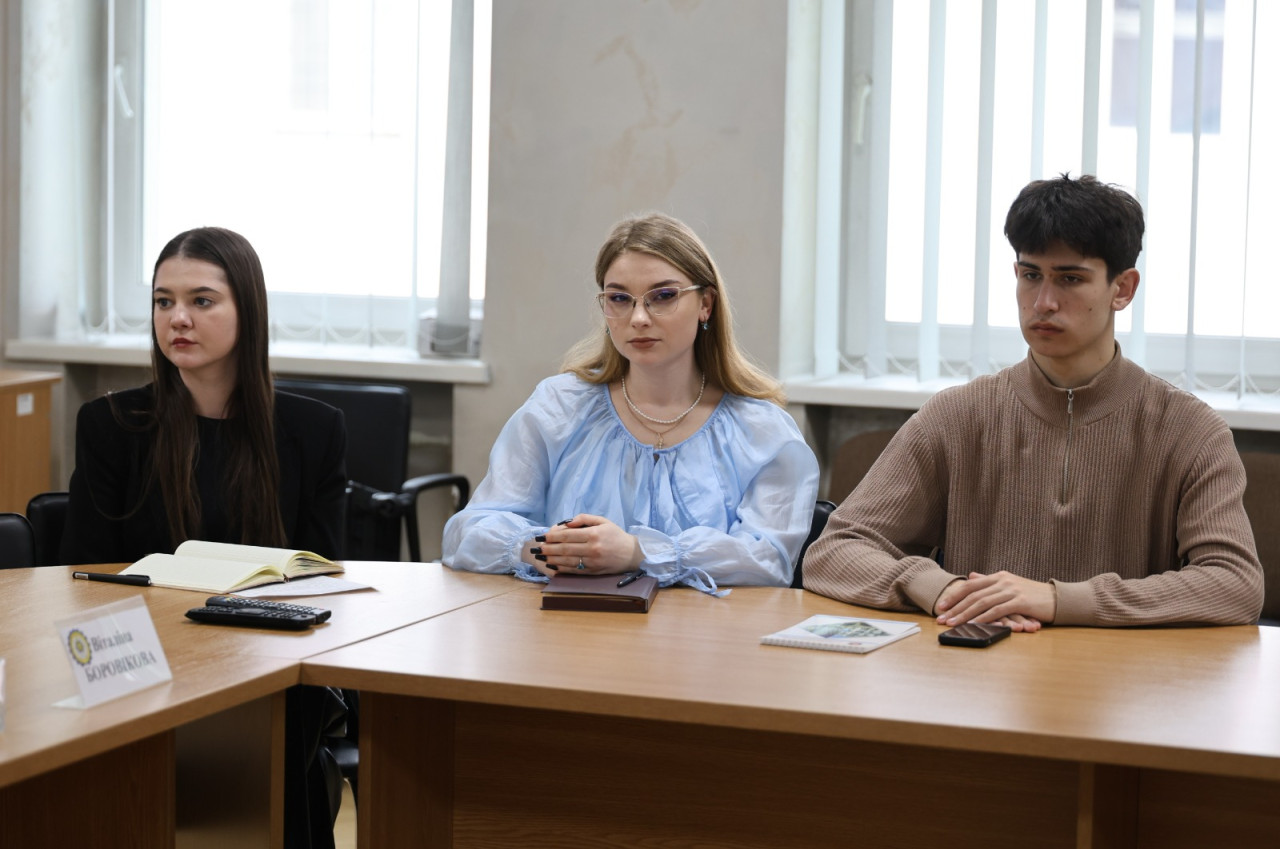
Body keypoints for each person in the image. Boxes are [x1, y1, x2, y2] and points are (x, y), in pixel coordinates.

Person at [804, 174, 1264, 629]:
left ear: (1122, 289)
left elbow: (1235, 585)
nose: (1043, 302)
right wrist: (942, 589)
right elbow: (834, 551)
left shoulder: (1190, 430)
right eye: (1031, 276)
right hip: (981, 664)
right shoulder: (957, 416)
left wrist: (1057, 599)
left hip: (1122, 672)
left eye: (1070, 279)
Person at [61, 226, 348, 848]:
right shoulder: (110, 425)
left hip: (268, 666)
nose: (178, 319)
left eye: (202, 301)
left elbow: (323, 577)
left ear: (249, 310)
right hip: (142, 668)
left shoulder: (313, 430)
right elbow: (85, 577)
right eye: (163, 301)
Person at [443, 212, 819, 592]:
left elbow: (769, 560)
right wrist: (542, 548)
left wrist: (638, 553)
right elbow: (467, 531)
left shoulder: (763, 432)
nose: (638, 318)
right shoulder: (558, 407)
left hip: (705, 629)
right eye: (619, 299)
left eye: (664, 296)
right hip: (570, 621)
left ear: (706, 304)